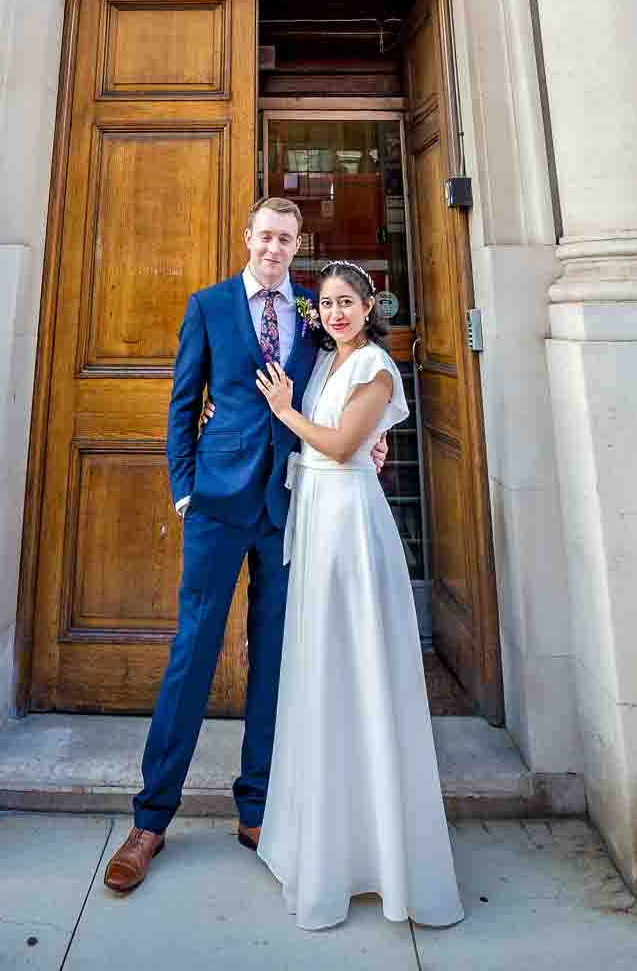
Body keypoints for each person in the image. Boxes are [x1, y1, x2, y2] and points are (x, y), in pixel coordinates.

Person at [102, 199, 387, 894]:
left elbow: (343, 384)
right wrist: (184, 490)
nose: (274, 247)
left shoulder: (315, 317)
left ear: (296, 246)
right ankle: (150, 820)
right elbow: (181, 402)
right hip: (217, 504)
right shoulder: (209, 306)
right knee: (192, 653)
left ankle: (257, 808)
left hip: (292, 506)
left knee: (276, 659)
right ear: (248, 239)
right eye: (265, 235)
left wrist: (372, 437)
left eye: (286, 238)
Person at [254, 260, 464, 931]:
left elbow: (344, 446)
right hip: (318, 515)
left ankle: (380, 856)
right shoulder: (325, 362)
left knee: (359, 669)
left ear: (372, 307)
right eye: (330, 304)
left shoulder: (375, 365)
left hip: (348, 520)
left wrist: (285, 414)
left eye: (350, 302)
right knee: (324, 672)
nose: (338, 312)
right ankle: (326, 845)